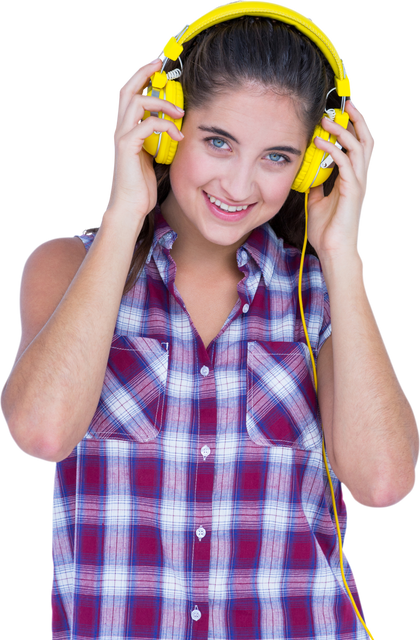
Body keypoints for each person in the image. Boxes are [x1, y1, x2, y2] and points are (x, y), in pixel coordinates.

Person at [1, 4, 418, 639]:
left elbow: (384, 482)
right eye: (217, 142)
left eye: (279, 157)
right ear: (167, 128)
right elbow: (40, 433)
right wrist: (124, 212)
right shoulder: (67, 266)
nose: (240, 183)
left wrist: (342, 254)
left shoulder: (323, 295)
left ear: (312, 166)